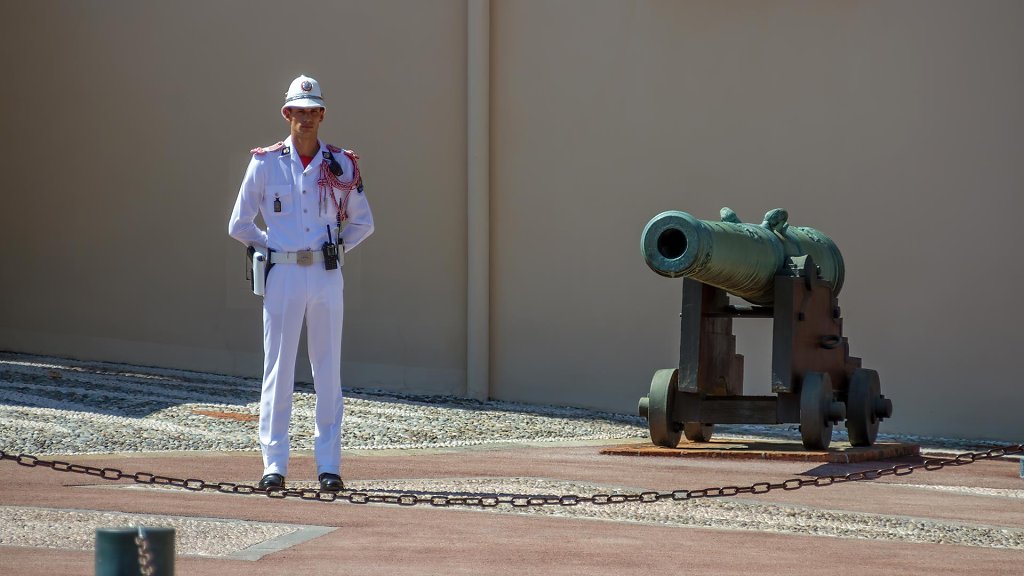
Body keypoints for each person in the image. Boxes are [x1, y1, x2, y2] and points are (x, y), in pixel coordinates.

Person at [228, 74, 374, 491]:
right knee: (277, 369)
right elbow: (239, 223)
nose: (306, 118)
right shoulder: (265, 162)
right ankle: (274, 464)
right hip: (284, 273)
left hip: (326, 275)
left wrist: (337, 248)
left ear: (322, 114)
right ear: (286, 113)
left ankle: (329, 465)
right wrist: (268, 247)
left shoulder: (341, 163)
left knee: (328, 370)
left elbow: (363, 221)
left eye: (313, 112)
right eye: (299, 111)